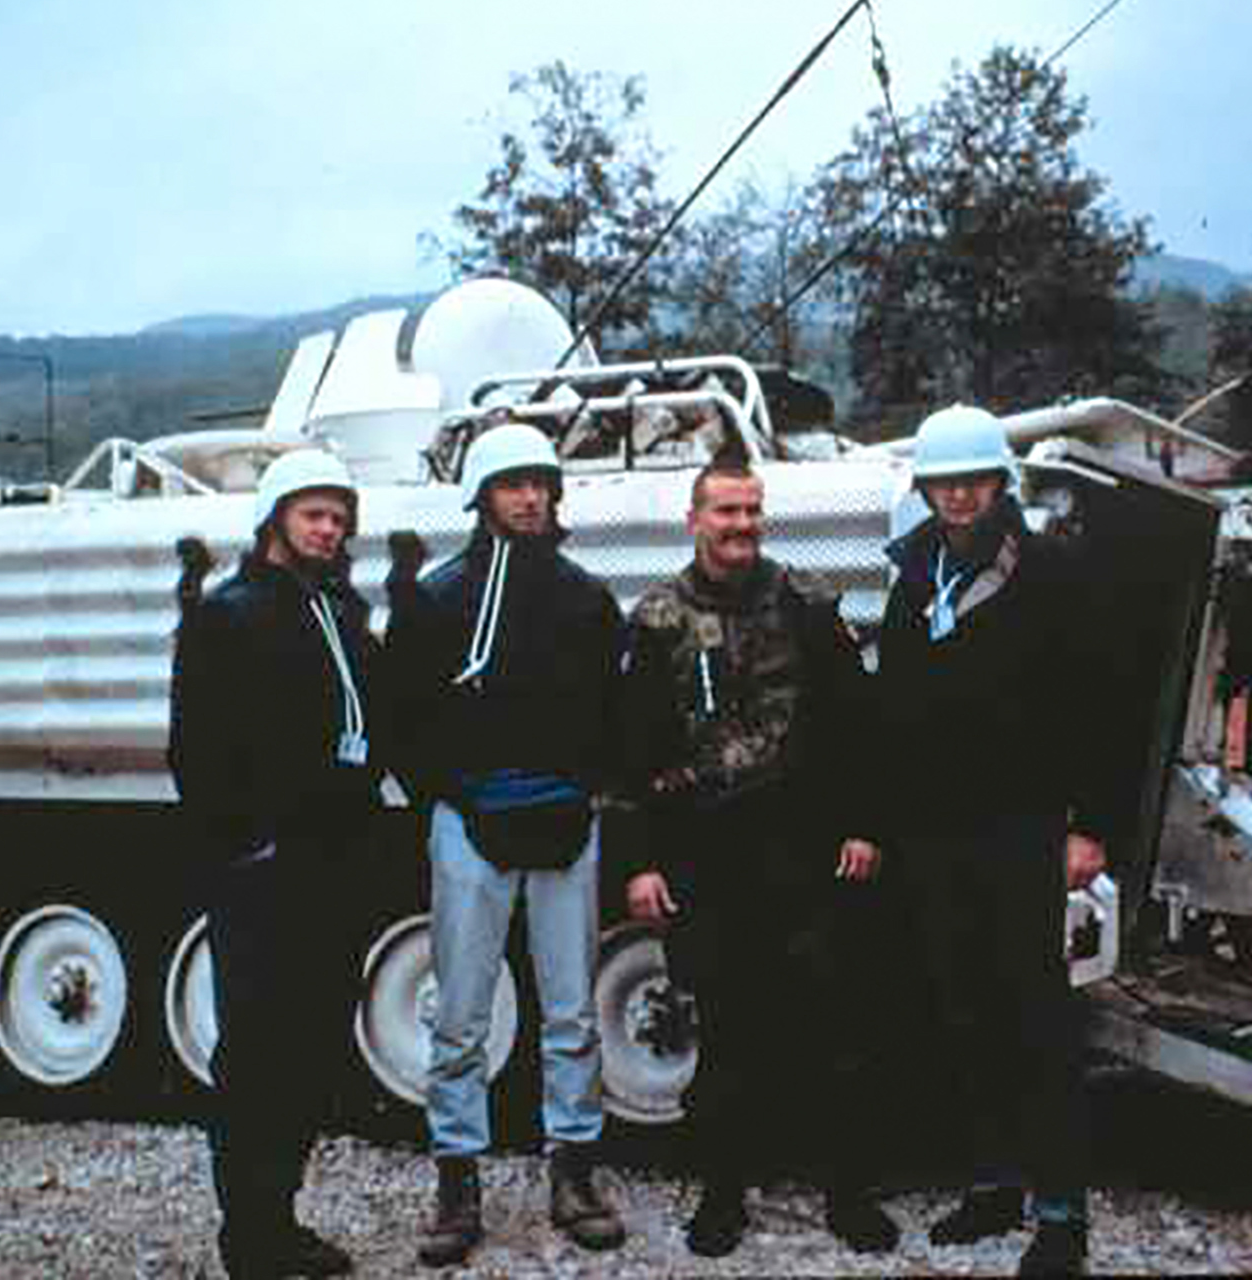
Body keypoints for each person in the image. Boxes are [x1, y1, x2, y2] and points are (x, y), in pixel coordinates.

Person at [617, 458, 900, 1259]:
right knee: (727, 1028)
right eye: (725, 512)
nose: (740, 526)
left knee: (833, 1024)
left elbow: (857, 727)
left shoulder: (807, 606)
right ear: (694, 519)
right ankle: (722, 1191)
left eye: (750, 512)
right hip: (708, 856)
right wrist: (641, 862)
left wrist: (864, 826)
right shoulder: (658, 620)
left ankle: (848, 1191)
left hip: (807, 852)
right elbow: (631, 752)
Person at [874, 406, 1118, 1276]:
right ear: (927, 489)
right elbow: (894, 703)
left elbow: (1099, 704)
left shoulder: (1048, 570)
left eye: (974, 480)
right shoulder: (913, 575)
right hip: (936, 834)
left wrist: (1089, 825)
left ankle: (1061, 1216)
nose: (960, 495)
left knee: (1038, 1016)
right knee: (961, 1007)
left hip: (1021, 829)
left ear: (999, 485)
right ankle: (990, 1184)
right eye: (944, 482)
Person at [381, 422, 627, 1267]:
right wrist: (451, 796)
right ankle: (457, 1182)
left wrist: (584, 789)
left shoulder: (586, 598)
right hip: (470, 826)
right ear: (481, 497)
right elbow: (399, 717)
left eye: (540, 484)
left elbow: (611, 707)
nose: (529, 497)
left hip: (565, 822)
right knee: (459, 1015)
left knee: (570, 1011)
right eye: (512, 484)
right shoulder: (440, 600)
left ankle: (575, 1172)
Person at [167, 448, 382, 1280]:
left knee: (310, 1051)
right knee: (255, 1056)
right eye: (312, 514)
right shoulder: (230, 614)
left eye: (338, 517)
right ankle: (248, 1237)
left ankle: (281, 1218)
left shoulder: (342, 608)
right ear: (275, 520)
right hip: (265, 873)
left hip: (336, 866)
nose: (328, 529)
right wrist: (244, 846)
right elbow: (194, 748)